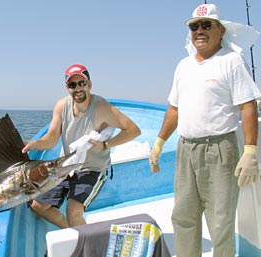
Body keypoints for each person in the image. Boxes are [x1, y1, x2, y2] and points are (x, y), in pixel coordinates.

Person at [148, 4, 260, 257]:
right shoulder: (183, 66)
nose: (200, 30)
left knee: (220, 221)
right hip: (186, 149)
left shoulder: (231, 61)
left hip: (220, 149)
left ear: (221, 30)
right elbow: (174, 109)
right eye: (194, 26)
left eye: (207, 25)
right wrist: (158, 143)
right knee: (183, 217)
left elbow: (247, 107)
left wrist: (250, 151)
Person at [22, 63, 141, 228]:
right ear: (67, 88)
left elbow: (133, 130)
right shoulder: (61, 106)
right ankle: (72, 231)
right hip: (67, 166)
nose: (77, 88)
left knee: (73, 211)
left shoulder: (102, 107)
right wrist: (34, 144)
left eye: (81, 83)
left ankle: (83, 247)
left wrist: (105, 144)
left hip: (92, 168)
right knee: (37, 206)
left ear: (89, 84)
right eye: (72, 85)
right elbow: (51, 138)